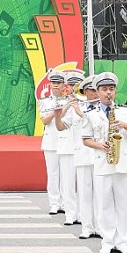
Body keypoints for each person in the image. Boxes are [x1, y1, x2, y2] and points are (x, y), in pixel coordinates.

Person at [82, 72, 127, 253]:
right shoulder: (91, 114)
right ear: (97, 92)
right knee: (104, 204)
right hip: (102, 162)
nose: (108, 93)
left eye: (111, 89)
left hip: (122, 162)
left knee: (122, 205)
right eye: (104, 89)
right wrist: (100, 145)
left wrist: (123, 125)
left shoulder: (125, 111)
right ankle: (107, 241)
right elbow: (85, 139)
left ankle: (123, 241)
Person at [69, 75, 100, 240]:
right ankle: (87, 227)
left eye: (96, 90)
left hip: (99, 155)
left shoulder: (105, 108)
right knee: (84, 192)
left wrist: (81, 113)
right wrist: (61, 112)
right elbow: (62, 126)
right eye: (91, 90)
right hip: (82, 154)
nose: (94, 94)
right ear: (85, 91)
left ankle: (101, 226)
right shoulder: (77, 107)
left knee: (101, 194)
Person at [56, 69, 84, 226]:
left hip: (83, 146)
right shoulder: (61, 101)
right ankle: (70, 213)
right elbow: (58, 120)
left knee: (83, 182)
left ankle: (82, 213)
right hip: (66, 145)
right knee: (67, 182)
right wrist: (68, 104)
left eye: (77, 84)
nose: (74, 88)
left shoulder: (87, 101)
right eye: (72, 85)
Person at [38, 70, 65, 214]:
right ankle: (54, 202)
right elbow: (44, 120)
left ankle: (66, 202)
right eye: (53, 83)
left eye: (58, 83)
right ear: (50, 84)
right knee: (53, 173)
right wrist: (54, 113)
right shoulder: (44, 101)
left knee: (66, 174)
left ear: (63, 85)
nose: (56, 85)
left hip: (66, 140)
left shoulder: (68, 100)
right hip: (50, 140)